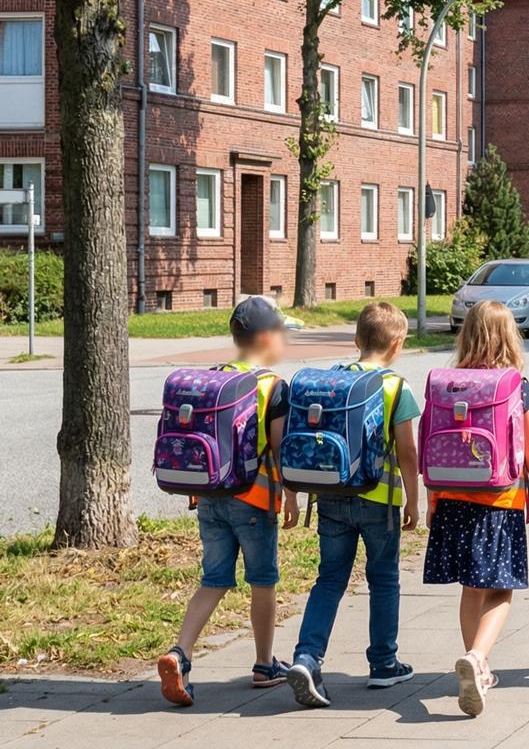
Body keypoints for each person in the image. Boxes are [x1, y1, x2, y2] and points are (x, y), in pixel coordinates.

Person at [158, 298, 299, 707]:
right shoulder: (272, 386)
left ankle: (180, 652)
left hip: (210, 496)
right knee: (263, 580)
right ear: (269, 337)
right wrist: (290, 494)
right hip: (253, 500)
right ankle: (264, 663)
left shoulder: (213, 378)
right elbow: (278, 448)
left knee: (214, 579)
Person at [288, 302, 421, 709]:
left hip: (331, 495)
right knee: (384, 579)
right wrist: (414, 500)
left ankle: (307, 658)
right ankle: (383, 663)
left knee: (329, 579)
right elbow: (408, 451)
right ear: (397, 344)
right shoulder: (396, 386)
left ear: (356, 340)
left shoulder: (331, 381)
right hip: (379, 502)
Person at [423, 301, 529, 717]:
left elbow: (431, 442)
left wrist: (431, 499)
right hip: (500, 500)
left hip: (453, 498)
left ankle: (476, 662)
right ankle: (478, 658)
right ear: (510, 335)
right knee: (500, 587)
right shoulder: (516, 385)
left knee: (469, 586)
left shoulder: (446, 384)